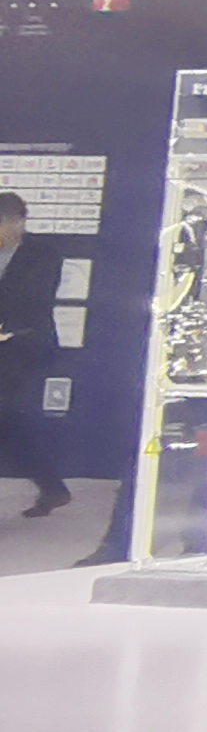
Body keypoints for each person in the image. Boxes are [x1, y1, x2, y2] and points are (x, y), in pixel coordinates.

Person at [0, 189, 64, 514]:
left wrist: (6, 327)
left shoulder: (43, 254)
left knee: (9, 416)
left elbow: (37, 300)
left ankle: (52, 488)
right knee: (11, 424)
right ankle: (53, 488)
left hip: (24, 346)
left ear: (19, 223)